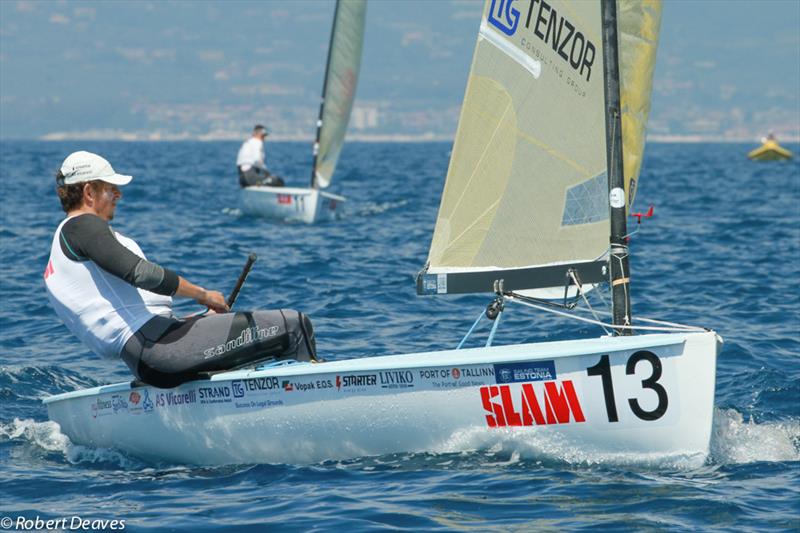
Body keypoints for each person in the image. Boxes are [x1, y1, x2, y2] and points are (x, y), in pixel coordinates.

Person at [44, 151, 315, 388]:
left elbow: (124, 315)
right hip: (159, 351)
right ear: (89, 192)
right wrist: (204, 295)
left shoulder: (63, 246)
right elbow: (143, 274)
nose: (118, 194)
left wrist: (196, 320)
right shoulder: (82, 227)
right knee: (294, 324)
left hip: (149, 357)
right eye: (110, 188)